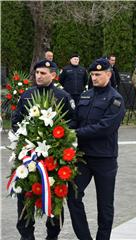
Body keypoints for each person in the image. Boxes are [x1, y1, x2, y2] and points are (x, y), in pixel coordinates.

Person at [12, 60, 75, 240]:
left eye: (43, 73)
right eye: (37, 73)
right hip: (29, 156)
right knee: (25, 194)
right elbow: (16, 121)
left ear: (53, 75)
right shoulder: (27, 95)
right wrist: (26, 138)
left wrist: (58, 136)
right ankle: (26, 235)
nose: (38, 76)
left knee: (55, 194)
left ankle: (52, 235)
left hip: (54, 156)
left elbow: (73, 122)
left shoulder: (63, 96)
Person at [67, 58, 126, 240]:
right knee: (73, 196)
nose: (94, 77)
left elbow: (105, 127)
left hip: (104, 159)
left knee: (105, 206)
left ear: (108, 74)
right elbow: (76, 118)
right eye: (92, 74)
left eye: (98, 74)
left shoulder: (116, 99)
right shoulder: (85, 96)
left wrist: (75, 133)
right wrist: (62, 129)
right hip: (83, 158)